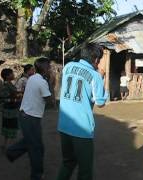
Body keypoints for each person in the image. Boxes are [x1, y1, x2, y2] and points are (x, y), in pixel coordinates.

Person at [57, 43, 108, 180]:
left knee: (68, 163)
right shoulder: (94, 75)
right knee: (85, 171)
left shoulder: (67, 67)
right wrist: (101, 78)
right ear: (96, 59)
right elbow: (100, 102)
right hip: (82, 129)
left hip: (64, 124)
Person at [6, 57, 52, 180]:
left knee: (35, 144)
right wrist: (51, 82)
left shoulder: (32, 78)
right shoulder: (42, 82)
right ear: (45, 69)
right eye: (50, 67)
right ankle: (37, 175)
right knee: (36, 147)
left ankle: (11, 152)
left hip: (26, 115)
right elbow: (49, 100)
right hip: (30, 118)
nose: (51, 70)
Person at [0, 68, 21, 152]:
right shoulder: (6, 85)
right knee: (11, 128)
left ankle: (5, 145)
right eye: (12, 73)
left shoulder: (8, 84)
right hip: (10, 111)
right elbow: (3, 99)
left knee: (8, 129)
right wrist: (16, 99)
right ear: (7, 76)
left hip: (10, 110)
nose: (13, 74)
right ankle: (9, 148)